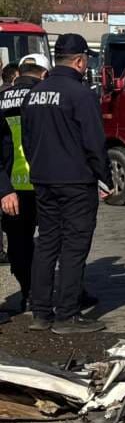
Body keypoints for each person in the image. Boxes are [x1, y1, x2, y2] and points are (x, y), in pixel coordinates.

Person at [20, 34, 110, 334]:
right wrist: (105, 177)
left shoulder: (34, 94)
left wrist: (39, 167)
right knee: (74, 247)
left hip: (43, 179)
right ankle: (67, 315)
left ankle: (40, 312)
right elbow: (94, 142)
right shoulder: (81, 94)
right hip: (76, 181)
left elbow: (27, 140)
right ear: (80, 61)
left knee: (46, 243)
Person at [0, 60, 48, 315]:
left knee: (19, 244)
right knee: (55, 241)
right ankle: (55, 293)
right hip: (44, 180)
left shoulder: (2, 98)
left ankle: (28, 292)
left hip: (12, 184)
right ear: (43, 73)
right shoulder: (44, 97)